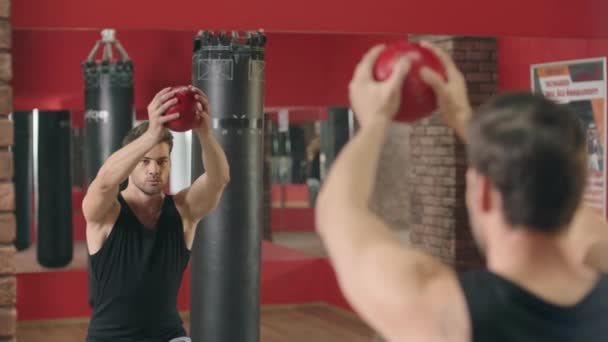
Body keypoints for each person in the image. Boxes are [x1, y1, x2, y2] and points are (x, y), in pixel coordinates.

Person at [315, 42, 608, 342]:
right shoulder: (600, 261)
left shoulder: (446, 313)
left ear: (483, 192)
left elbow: (337, 211)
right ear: (577, 189)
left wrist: (374, 121)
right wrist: (464, 119)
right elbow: (570, 201)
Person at [83, 86, 230, 342]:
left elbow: (219, 180)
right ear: (130, 166)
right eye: (145, 161)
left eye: (162, 162)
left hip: (168, 336)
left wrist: (205, 134)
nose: (154, 170)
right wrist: (151, 134)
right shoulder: (106, 213)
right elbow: (104, 183)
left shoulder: (184, 210)